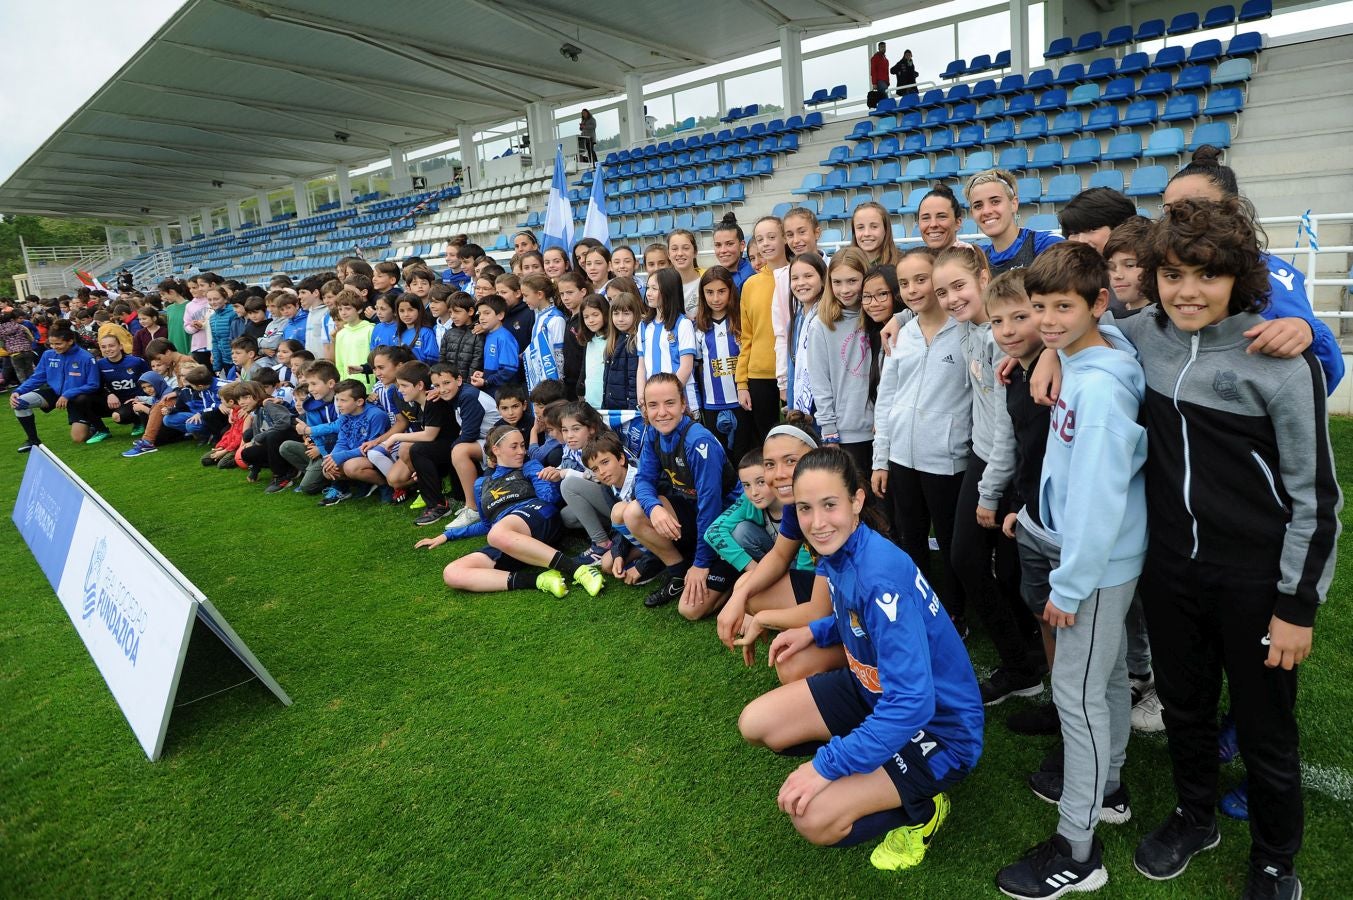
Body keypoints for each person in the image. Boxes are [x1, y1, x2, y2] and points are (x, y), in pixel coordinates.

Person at [1103, 199, 1340, 900]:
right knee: (1185, 707)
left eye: (1207, 275)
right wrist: (1050, 358)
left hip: (1256, 583)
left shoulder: (1278, 360)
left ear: (1239, 278)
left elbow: (1316, 498)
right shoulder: (1138, 335)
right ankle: (1195, 815)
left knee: (1266, 730)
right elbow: (1072, 327)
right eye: (1172, 273)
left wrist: (1297, 606)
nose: (1187, 291)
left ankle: (1274, 859)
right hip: (1170, 571)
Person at [738, 447, 983, 871]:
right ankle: (873, 756)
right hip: (876, 694)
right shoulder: (841, 549)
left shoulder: (879, 575)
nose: (817, 522)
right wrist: (814, 631)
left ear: (856, 501)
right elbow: (854, 619)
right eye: (806, 508)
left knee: (813, 818)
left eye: (829, 505)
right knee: (756, 724)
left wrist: (827, 766)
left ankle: (924, 807)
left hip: (939, 730)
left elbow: (913, 703)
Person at [995, 241, 1147, 899]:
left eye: (1063, 307)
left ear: (1097, 303)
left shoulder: (1102, 389)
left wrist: (1069, 584)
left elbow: (1096, 499)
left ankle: (1077, 851)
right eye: (1040, 307)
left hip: (1094, 563)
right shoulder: (1089, 354)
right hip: (1093, 554)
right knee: (1103, 679)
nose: (1048, 321)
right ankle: (1107, 789)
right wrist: (1057, 349)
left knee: (1077, 697)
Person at [932, 244, 1039, 702]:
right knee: (970, 561)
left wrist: (990, 491)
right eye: (942, 292)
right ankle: (1023, 661)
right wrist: (896, 320)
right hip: (984, 457)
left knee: (1000, 569)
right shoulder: (968, 327)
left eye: (958, 286)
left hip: (1004, 467)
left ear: (982, 277)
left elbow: (1006, 427)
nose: (951, 299)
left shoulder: (1002, 339)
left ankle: (1025, 662)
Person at [1162, 145, 1344, 392]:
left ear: (1233, 209)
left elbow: (1324, 371)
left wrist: (1309, 330)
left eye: (1197, 206)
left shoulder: (1268, 277)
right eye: (1171, 211)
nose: (1183, 218)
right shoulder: (1161, 269)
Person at [871, 247, 970, 630]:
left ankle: (955, 611)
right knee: (911, 538)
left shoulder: (966, 332)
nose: (912, 289)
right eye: (904, 283)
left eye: (921, 280)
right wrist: (881, 459)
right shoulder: (902, 335)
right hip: (901, 459)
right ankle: (919, 606)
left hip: (947, 460)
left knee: (950, 541)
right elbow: (887, 400)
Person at [417, 423, 604, 599]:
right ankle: (540, 580)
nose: (521, 451)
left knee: (497, 533)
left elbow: (550, 499)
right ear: (496, 450)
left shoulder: (530, 466)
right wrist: (447, 535)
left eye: (522, 445)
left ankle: (578, 570)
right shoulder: (481, 484)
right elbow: (486, 525)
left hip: (539, 517)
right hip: (507, 536)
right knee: (453, 573)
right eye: (514, 447)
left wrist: (537, 475)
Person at [623, 373, 741, 613]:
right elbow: (643, 480)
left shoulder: (697, 441)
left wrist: (701, 564)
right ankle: (678, 572)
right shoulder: (654, 432)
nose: (661, 413)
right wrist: (654, 509)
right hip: (696, 513)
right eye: (653, 405)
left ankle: (735, 574)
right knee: (633, 513)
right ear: (645, 408)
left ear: (683, 404)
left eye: (669, 403)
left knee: (690, 610)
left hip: (729, 523)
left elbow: (710, 506)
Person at [808, 248, 874, 478]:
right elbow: (820, 382)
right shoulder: (821, 325)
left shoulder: (879, 317)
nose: (845, 290)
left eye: (852, 281)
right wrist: (829, 431)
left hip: (883, 430)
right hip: (846, 433)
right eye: (837, 282)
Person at [10, 321, 104, 452]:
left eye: (58, 344)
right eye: (51, 344)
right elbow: (38, 377)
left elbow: (93, 384)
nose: (54, 347)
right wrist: (19, 391)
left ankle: (91, 425)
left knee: (78, 438)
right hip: (55, 393)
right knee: (19, 402)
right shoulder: (48, 355)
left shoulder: (86, 357)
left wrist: (68, 394)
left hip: (77, 397)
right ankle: (33, 440)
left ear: (70, 341)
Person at [737, 216, 787, 446]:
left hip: (793, 374)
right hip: (759, 376)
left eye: (771, 237)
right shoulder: (751, 285)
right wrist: (742, 383)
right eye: (760, 239)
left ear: (784, 238)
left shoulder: (799, 277)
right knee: (766, 442)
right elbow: (746, 337)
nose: (765, 243)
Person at [694, 266, 752, 464]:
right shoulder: (699, 327)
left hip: (742, 402)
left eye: (721, 291)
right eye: (709, 292)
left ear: (730, 291)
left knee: (743, 453)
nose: (716, 298)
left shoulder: (741, 321)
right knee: (719, 455)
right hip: (712, 404)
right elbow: (698, 366)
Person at [966, 170, 1063, 274]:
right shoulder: (978, 259)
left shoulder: (1047, 245)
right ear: (972, 213)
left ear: (1014, 204)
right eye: (978, 206)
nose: (986, 211)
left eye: (995, 201)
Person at [314, 378, 393, 505]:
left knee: (351, 468)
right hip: (356, 455)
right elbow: (342, 441)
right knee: (327, 469)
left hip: (376, 455)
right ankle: (360, 484)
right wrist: (333, 457)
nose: (338, 404)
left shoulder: (376, 415)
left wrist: (341, 456)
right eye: (337, 399)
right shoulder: (344, 415)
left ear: (359, 401)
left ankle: (385, 485)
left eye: (343, 400)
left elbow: (371, 447)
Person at [636, 267, 700, 413]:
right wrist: (641, 397)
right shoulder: (643, 325)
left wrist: (667, 396)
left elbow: (686, 367)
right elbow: (641, 367)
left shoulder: (683, 324)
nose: (648, 293)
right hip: (653, 404)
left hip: (682, 402)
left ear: (668, 292)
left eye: (654, 289)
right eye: (648, 288)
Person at [280, 361, 339, 496]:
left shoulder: (341, 399)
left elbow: (341, 426)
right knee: (286, 447)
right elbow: (317, 438)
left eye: (314, 384)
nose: (310, 389)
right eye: (308, 384)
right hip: (325, 450)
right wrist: (325, 455)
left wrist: (309, 431)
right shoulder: (311, 405)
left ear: (330, 383)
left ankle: (330, 479)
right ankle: (319, 472)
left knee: (307, 487)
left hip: (342, 448)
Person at [785, 252, 828, 415]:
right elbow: (792, 372)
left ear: (823, 279)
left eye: (808, 276)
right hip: (802, 411)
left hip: (825, 410)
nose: (801, 283)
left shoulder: (830, 319)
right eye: (795, 278)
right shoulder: (794, 322)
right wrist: (792, 406)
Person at [95, 334, 148, 439]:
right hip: (115, 401)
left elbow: (150, 380)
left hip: (136, 400)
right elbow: (98, 385)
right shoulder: (99, 365)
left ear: (120, 346)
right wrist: (109, 394)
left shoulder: (136, 361)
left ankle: (139, 421)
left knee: (118, 417)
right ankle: (100, 430)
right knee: (83, 401)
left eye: (111, 345)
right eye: (103, 347)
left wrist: (142, 397)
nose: (107, 349)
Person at [470, 295, 520, 394]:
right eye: (480, 314)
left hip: (504, 393)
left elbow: (508, 370)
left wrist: (487, 381)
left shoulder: (504, 337)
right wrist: (484, 375)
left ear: (500, 315)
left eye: (487, 313)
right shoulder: (489, 334)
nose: (481, 318)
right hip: (492, 390)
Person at [438, 291, 482, 377]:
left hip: (469, 382)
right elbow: (442, 360)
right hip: (450, 381)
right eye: (450, 312)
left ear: (470, 311)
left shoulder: (478, 333)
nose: (453, 316)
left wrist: (469, 383)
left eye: (457, 312)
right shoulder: (449, 333)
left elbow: (476, 363)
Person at [713, 214, 756, 290]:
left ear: (742, 245)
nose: (723, 250)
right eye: (718, 245)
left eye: (729, 244)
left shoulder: (749, 278)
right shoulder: (716, 274)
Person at [916, 185, 965, 252]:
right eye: (926, 218)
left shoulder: (971, 257)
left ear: (957, 222)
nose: (933, 224)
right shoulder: (918, 257)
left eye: (942, 217)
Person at [667, 229, 703, 316]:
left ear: (695, 252)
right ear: (668, 254)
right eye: (674, 249)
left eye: (686, 248)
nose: (680, 253)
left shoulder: (707, 279)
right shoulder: (663, 285)